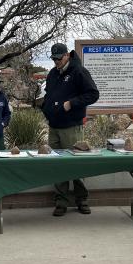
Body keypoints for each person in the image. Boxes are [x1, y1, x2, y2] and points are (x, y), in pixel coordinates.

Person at [41, 43, 100, 216]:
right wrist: (46, 107)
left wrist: (71, 104)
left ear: (67, 55)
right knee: (57, 165)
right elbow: (49, 94)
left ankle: (82, 200)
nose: (56, 61)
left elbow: (93, 94)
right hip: (54, 126)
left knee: (76, 164)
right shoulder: (52, 74)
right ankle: (61, 201)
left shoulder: (79, 72)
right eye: (54, 59)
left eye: (59, 58)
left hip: (72, 127)